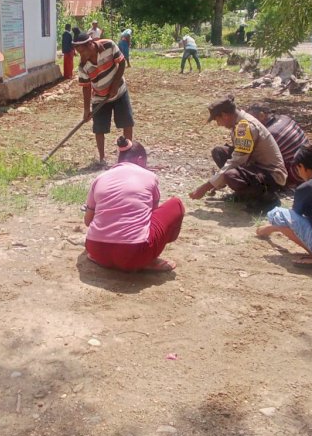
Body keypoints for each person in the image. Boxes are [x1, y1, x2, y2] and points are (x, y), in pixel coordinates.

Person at [84, 136, 184, 272]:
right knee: (176, 204)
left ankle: (108, 259)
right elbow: (151, 216)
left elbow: (88, 221)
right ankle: (151, 258)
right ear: (140, 160)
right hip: (134, 255)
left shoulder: (100, 178)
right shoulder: (149, 176)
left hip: (96, 250)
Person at [190, 97, 286, 210]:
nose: (218, 124)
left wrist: (206, 186)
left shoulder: (245, 126)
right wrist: (217, 183)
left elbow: (237, 161)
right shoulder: (239, 122)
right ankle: (244, 194)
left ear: (224, 115)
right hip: (255, 165)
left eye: (217, 119)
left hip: (271, 175)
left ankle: (266, 199)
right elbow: (239, 155)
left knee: (231, 175)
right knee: (219, 152)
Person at [74, 31, 135, 164]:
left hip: (119, 91)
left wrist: (114, 86)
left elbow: (122, 62)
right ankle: (102, 159)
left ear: (90, 45)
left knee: (127, 123)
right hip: (100, 98)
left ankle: (127, 156)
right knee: (99, 128)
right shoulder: (83, 66)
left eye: (82, 52)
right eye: (78, 53)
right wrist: (86, 110)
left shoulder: (109, 45)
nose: (81, 56)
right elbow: (86, 87)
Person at [247, 104, 308, 188]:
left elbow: (256, 158)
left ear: (262, 116)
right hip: (307, 164)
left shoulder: (270, 134)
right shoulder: (285, 118)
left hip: (296, 172)